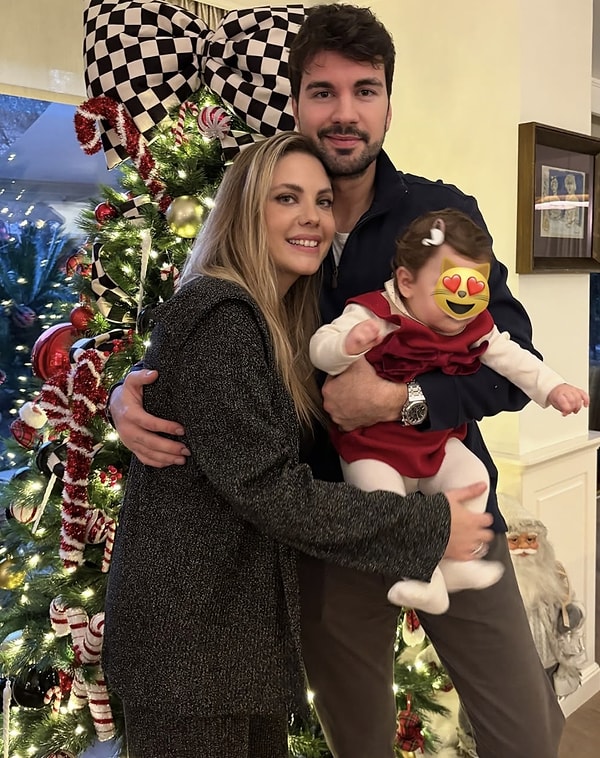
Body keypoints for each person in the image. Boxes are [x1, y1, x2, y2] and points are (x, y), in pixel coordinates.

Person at [107, 5, 566, 757]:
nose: (345, 112)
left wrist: (403, 401)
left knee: (529, 733)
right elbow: (213, 325)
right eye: (323, 91)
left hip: (448, 509)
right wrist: (134, 391)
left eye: (365, 90)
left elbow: (509, 365)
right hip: (327, 528)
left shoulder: (441, 218)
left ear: (389, 103)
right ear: (296, 101)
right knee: (358, 741)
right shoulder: (273, 226)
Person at [102, 131, 490, 758]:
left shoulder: (275, 320)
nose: (311, 216)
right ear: (245, 210)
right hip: (189, 649)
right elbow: (273, 491)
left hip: (227, 642)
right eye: (287, 198)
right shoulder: (222, 315)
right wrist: (431, 526)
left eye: (321, 201)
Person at [309, 208, 589, 615]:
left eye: (476, 289)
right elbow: (321, 348)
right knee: (383, 502)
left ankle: (456, 567)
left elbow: (512, 357)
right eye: (452, 286)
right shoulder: (375, 314)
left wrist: (554, 388)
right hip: (372, 447)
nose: (464, 303)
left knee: (473, 476)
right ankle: (422, 579)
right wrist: (347, 346)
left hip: (433, 441)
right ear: (406, 282)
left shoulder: (472, 325)